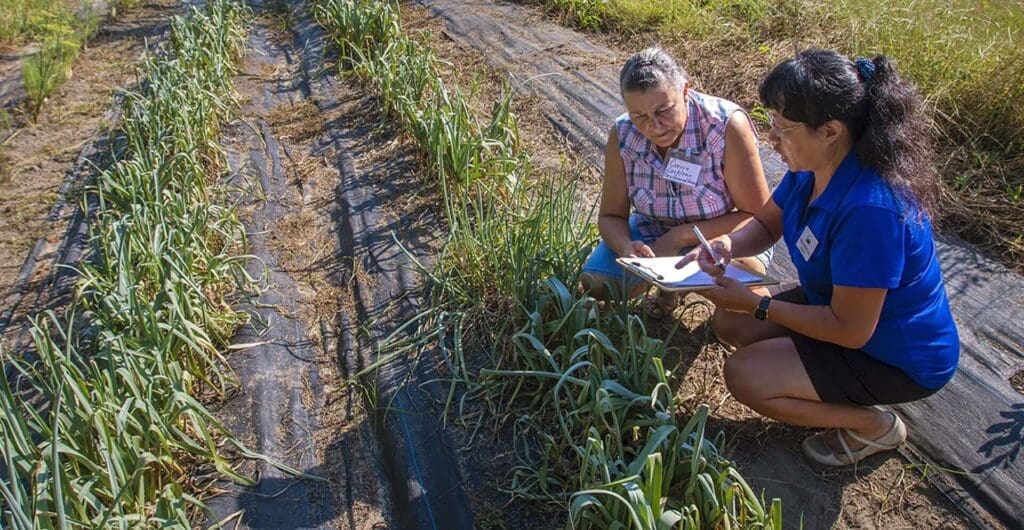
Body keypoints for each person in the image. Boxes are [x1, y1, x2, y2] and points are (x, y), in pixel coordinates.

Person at [678, 49, 959, 466]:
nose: (772, 137)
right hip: (835, 310)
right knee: (729, 321)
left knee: (744, 375)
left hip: (890, 353)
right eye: (771, 120)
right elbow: (768, 223)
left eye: (782, 126)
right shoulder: (810, 167)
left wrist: (760, 305)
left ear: (829, 130)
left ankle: (872, 427)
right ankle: (811, 373)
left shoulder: (870, 211)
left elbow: (849, 330)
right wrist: (728, 245)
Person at [580, 47, 772, 317]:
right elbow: (611, 216)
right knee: (598, 283)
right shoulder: (622, 134)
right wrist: (625, 246)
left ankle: (686, 288)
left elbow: (758, 217)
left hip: (723, 237)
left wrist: (680, 237)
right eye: (641, 117)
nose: (655, 126)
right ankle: (670, 286)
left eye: (664, 110)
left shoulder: (724, 125)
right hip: (652, 230)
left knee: (745, 306)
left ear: (685, 91)